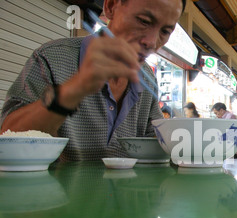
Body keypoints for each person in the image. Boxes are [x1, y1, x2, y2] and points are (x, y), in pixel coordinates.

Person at [0, 0, 186, 161]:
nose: (152, 42)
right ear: (111, 6)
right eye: (144, 21)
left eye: (165, 31)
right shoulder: (52, 58)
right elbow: (7, 138)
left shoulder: (147, 79)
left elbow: (156, 142)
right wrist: (76, 87)